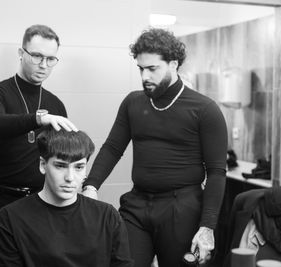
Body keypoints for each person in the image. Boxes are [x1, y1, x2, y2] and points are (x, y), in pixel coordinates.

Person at [83, 28, 228, 267]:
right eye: (141, 68)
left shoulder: (204, 109)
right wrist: (91, 185)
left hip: (182, 208)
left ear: (173, 64)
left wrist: (207, 227)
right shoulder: (133, 102)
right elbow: (112, 148)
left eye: (152, 69)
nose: (144, 76)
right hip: (137, 204)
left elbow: (216, 172)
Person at [0, 127, 133, 267]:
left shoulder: (107, 216)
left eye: (79, 167)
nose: (70, 177)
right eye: (60, 166)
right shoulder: (10, 219)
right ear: (43, 165)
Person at [0, 24, 78, 208]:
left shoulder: (55, 104)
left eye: (50, 59)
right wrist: (38, 119)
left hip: (41, 202)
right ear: (21, 53)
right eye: (37, 56)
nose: (43, 65)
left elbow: (61, 155)